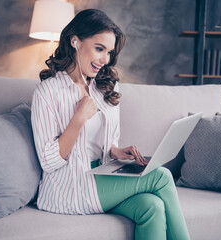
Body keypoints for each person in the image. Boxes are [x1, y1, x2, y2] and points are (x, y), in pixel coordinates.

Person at [31, 9, 190, 240]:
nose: (105, 59)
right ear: (75, 41)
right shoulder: (47, 93)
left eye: (109, 52)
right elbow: (48, 161)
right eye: (99, 48)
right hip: (70, 187)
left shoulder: (105, 87)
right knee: (162, 177)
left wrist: (116, 151)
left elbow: (102, 142)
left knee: (152, 206)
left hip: (103, 175)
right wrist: (77, 119)